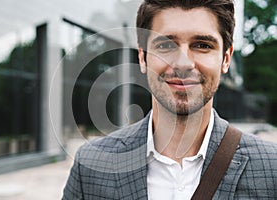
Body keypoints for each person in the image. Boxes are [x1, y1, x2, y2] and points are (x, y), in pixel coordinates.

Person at [62, 0, 277, 199]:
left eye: (202, 45)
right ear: (142, 58)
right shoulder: (90, 166)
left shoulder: (272, 169)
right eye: (165, 45)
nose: (183, 63)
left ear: (226, 59)